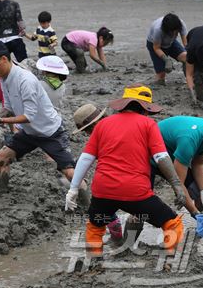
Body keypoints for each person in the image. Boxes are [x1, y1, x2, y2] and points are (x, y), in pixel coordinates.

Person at [65, 84, 187, 257]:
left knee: (95, 225)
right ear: (145, 108)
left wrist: (73, 189)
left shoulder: (102, 125)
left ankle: (93, 261)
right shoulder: (148, 124)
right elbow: (161, 157)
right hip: (136, 192)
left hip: (103, 191)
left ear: (124, 104)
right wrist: (177, 186)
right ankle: (171, 257)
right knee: (171, 222)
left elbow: (85, 158)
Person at [0, 40, 81, 194]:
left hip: (50, 132)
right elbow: (9, 108)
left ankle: (89, 203)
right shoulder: (4, 80)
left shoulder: (26, 80)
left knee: (69, 172)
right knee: (0, 157)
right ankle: (2, 192)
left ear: (3, 59)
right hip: (29, 133)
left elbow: (28, 116)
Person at [124, 117, 203, 241]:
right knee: (141, 207)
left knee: (198, 194)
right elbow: (178, 185)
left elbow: (198, 164)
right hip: (145, 158)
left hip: (169, 154)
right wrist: (194, 212)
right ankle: (126, 246)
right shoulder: (189, 140)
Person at [72, 103, 122, 242]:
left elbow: (85, 160)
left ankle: (116, 239)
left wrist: (73, 188)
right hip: (134, 175)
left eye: (86, 131)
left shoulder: (99, 137)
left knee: (102, 211)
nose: (87, 135)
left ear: (92, 126)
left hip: (110, 180)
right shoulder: (118, 126)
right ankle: (122, 239)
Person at [146, 13, 188, 85]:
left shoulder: (180, 24)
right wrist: (166, 60)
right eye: (172, 32)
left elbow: (186, 44)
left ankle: (189, 79)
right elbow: (156, 48)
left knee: (186, 58)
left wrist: (192, 56)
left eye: (176, 31)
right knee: (161, 78)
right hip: (155, 45)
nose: (174, 33)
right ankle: (160, 79)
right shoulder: (158, 29)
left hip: (171, 43)